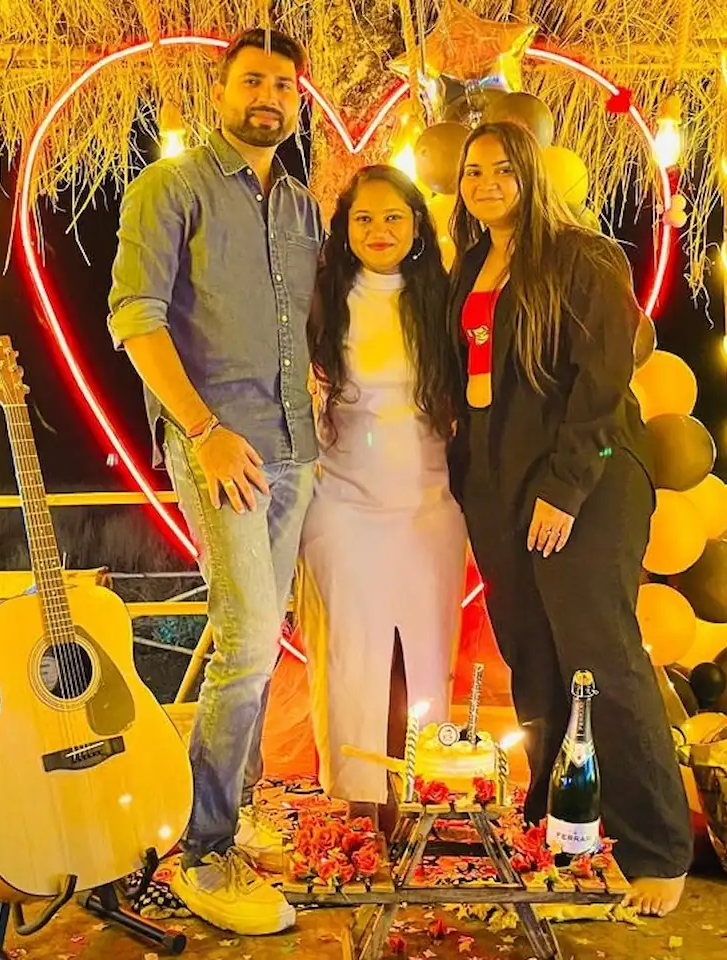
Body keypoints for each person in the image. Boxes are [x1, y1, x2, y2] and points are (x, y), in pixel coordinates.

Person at [445, 121, 692, 917]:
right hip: (498, 485)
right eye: (473, 171)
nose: (486, 183)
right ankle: (562, 823)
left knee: (600, 652)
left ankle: (657, 846)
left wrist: (566, 486)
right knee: (534, 658)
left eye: (503, 169)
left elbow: (600, 383)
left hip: (586, 480)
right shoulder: (469, 266)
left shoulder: (584, 258)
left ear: (532, 176)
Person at [107, 27, 320, 936]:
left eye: (284, 86)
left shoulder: (303, 208)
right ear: (221, 89)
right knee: (247, 639)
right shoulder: (172, 187)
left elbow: (308, 322)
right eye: (253, 81)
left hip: (297, 448)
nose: (269, 97)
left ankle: (243, 805)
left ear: (297, 101)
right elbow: (135, 317)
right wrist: (202, 431)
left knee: (263, 639)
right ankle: (202, 846)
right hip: (221, 450)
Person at [298, 166, 466, 826]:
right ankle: (361, 807)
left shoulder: (445, 299)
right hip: (344, 506)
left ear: (418, 226)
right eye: (363, 218)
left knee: (424, 661)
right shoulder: (321, 300)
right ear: (344, 228)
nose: (379, 230)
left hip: (430, 508)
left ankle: (428, 797)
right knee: (353, 660)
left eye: (394, 217)